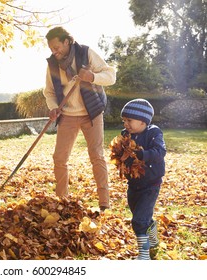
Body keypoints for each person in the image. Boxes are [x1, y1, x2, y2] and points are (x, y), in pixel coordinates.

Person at [43, 26, 116, 211]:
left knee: (96, 155)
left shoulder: (85, 53)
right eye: (51, 48)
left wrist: (92, 76)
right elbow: (49, 92)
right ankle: (62, 201)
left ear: (66, 41)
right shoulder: (52, 64)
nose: (54, 51)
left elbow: (111, 76)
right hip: (67, 115)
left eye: (56, 47)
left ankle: (104, 203)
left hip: (92, 113)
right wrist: (53, 108)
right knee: (59, 158)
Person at [120, 98, 166, 260]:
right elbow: (122, 152)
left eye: (129, 120)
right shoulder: (126, 135)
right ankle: (153, 241)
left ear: (143, 121)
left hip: (150, 184)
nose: (125, 123)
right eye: (124, 120)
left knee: (139, 220)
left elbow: (160, 152)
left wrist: (143, 154)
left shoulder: (154, 133)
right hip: (133, 184)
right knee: (142, 217)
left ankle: (144, 256)